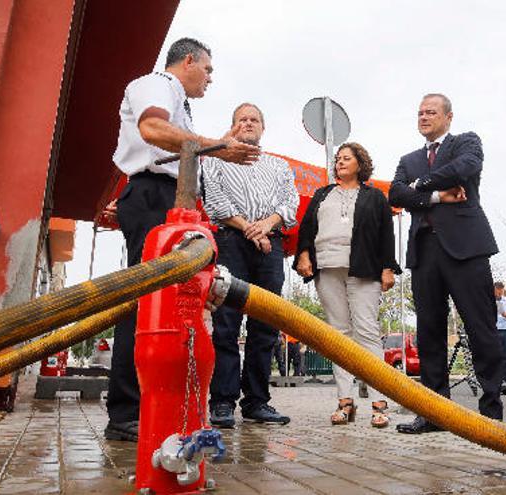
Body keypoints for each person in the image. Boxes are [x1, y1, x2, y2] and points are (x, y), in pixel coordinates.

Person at [105, 38, 260, 442]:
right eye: (207, 69)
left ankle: (153, 402)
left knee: (168, 304)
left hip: (166, 199)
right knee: (145, 301)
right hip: (152, 196)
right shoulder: (156, 84)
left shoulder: (178, 103)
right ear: (188, 61)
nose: (210, 78)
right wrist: (219, 147)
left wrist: (215, 144)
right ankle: (126, 412)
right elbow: (152, 128)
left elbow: (181, 146)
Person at [389, 93, 505, 433]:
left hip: (466, 249)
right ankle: (435, 411)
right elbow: (396, 195)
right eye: (420, 112)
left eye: (431, 112)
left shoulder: (466, 143)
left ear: (448, 117)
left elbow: (464, 168)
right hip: (424, 252)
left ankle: (491, 413)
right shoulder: (408, 159)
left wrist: (421, 186)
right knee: (429, 333)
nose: (424, 117)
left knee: (480, 327)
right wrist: (439, 195)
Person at [203, 102, 299, 427]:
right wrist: (248, 227)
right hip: (231, 240)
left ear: (263, 127)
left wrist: (266, 226)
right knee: (226, 322)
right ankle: (223, 402)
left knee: (266, 323)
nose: (248, 123)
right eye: (241, 119)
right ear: (233, 126)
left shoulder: (279, 165)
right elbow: (213, 201)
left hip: (270, 244)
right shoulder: (215, 160)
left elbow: (290, 204)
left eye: (253, 119)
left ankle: (257, 401)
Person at [294, 142, 401, 428]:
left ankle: (380, 402)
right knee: (338, 335)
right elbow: (307, 228)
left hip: (364, 268)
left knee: (366, 331)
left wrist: (387, 268)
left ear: (360, 163)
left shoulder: (375, 197)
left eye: (347, 158)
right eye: (338, 159)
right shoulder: (322, 194)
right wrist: (304, 254)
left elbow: (385, 235)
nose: (340, 162)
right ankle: (345, 402)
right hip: (327, 267)